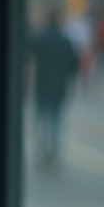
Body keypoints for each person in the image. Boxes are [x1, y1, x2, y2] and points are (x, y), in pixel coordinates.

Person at [26, 9, 78, 169]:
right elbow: (74, 65)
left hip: (42, 85)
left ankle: (40, 149)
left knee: (41, 119)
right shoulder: (65, 40)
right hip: (59, 86)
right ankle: (54, 150)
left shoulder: (40, 38)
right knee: (56, 120)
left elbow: (27, 51)